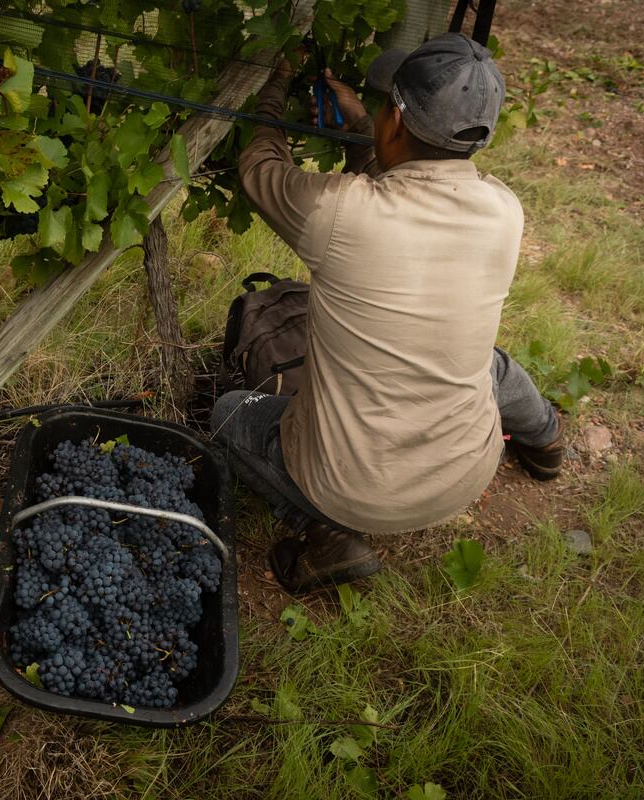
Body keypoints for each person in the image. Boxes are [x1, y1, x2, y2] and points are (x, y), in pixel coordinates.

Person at [213, 33, 563, 593]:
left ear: (395, 121)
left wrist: (275, 86)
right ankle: (544, 436)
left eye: (382, 106)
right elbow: (403, 187)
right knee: (489, 367)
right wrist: (364, 126)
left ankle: (324, 530)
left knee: (231, 413)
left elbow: (260, 165)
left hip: (346, 488)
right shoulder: (505, 211)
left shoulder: (338, 212)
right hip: (463, 476)